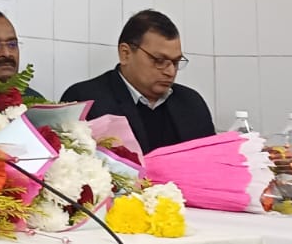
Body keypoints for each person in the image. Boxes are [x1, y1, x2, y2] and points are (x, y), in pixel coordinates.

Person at [60, 10, 214, 153]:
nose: (170, 72)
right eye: (159, 61)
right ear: (125, 54)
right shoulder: (84, 100)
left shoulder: (191, 103)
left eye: (175, 62)